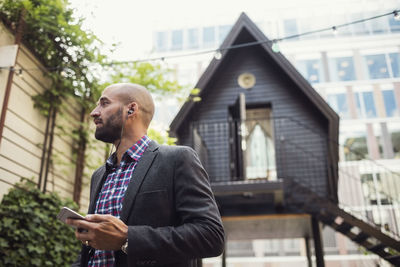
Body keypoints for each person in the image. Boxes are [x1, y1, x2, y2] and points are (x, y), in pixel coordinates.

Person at [67, 83, 225, 267]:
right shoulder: (99, 174)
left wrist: (128, 239)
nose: (94, 112)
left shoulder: (177, 159)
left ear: (131, 109)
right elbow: (95, 253)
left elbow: (211, 236)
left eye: (104, 103)